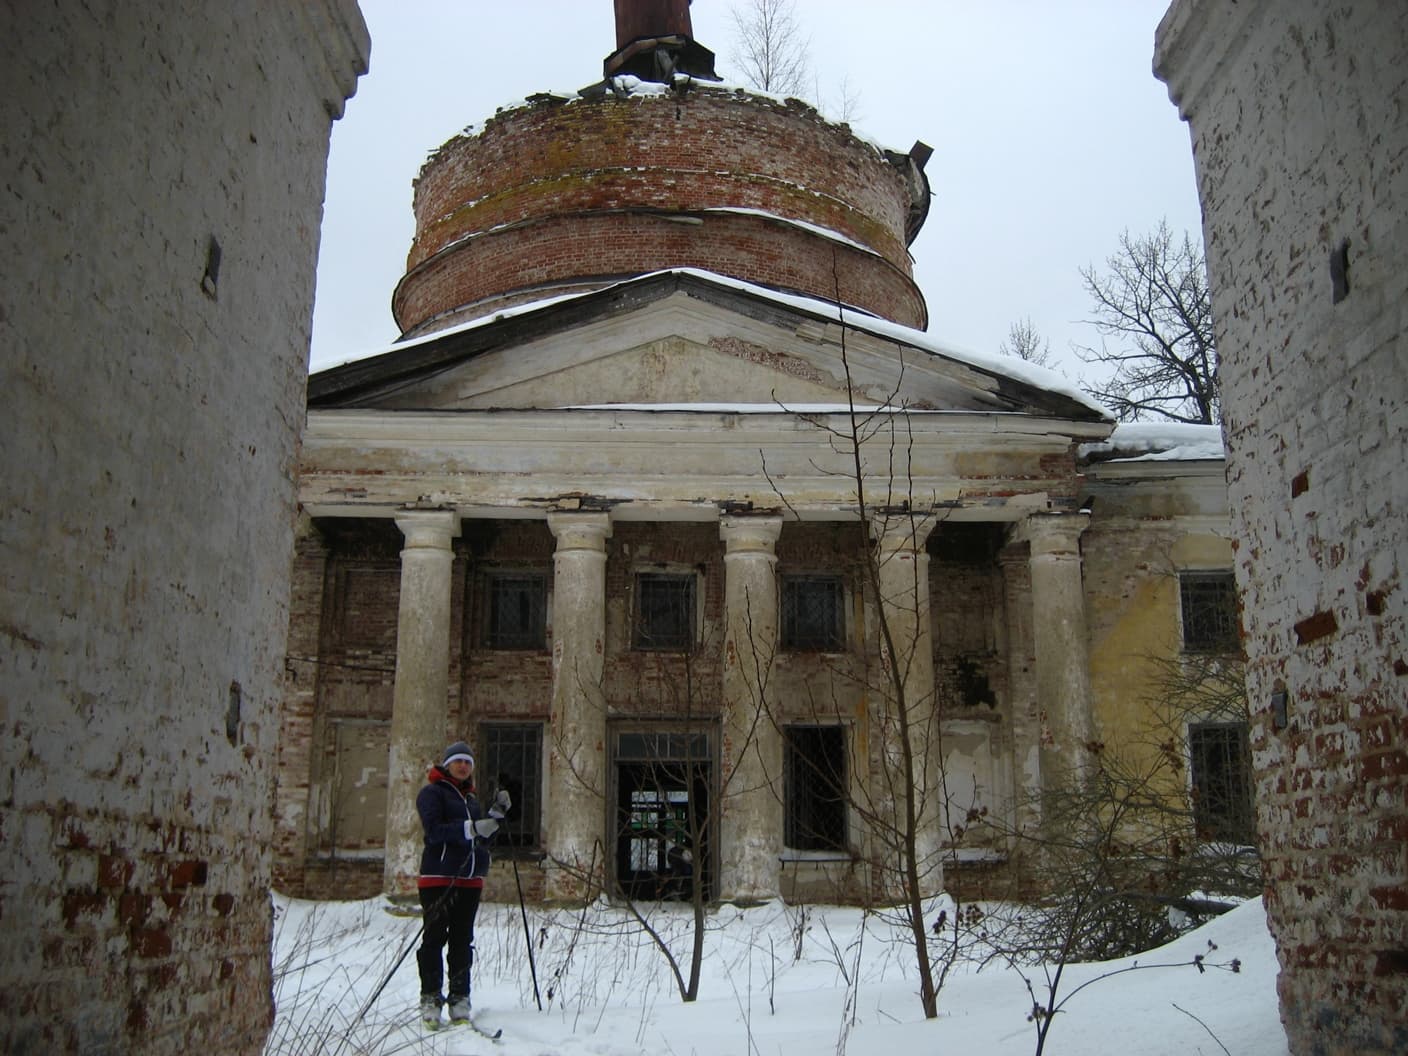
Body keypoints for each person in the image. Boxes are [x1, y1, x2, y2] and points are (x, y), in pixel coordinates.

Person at [415, 741, 511, 1029]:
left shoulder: (471, 801)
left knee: (461, 940)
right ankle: (431, 998)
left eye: (467, 762)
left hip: (469, 880)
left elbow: (480, 839)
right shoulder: (431, 794)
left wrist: (494, 816)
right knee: (434, 939)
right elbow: (433, 833)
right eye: (458, 761)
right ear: (447, 765)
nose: (463, 766)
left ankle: (460, 997)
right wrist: (470, 828)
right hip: (438, 877)